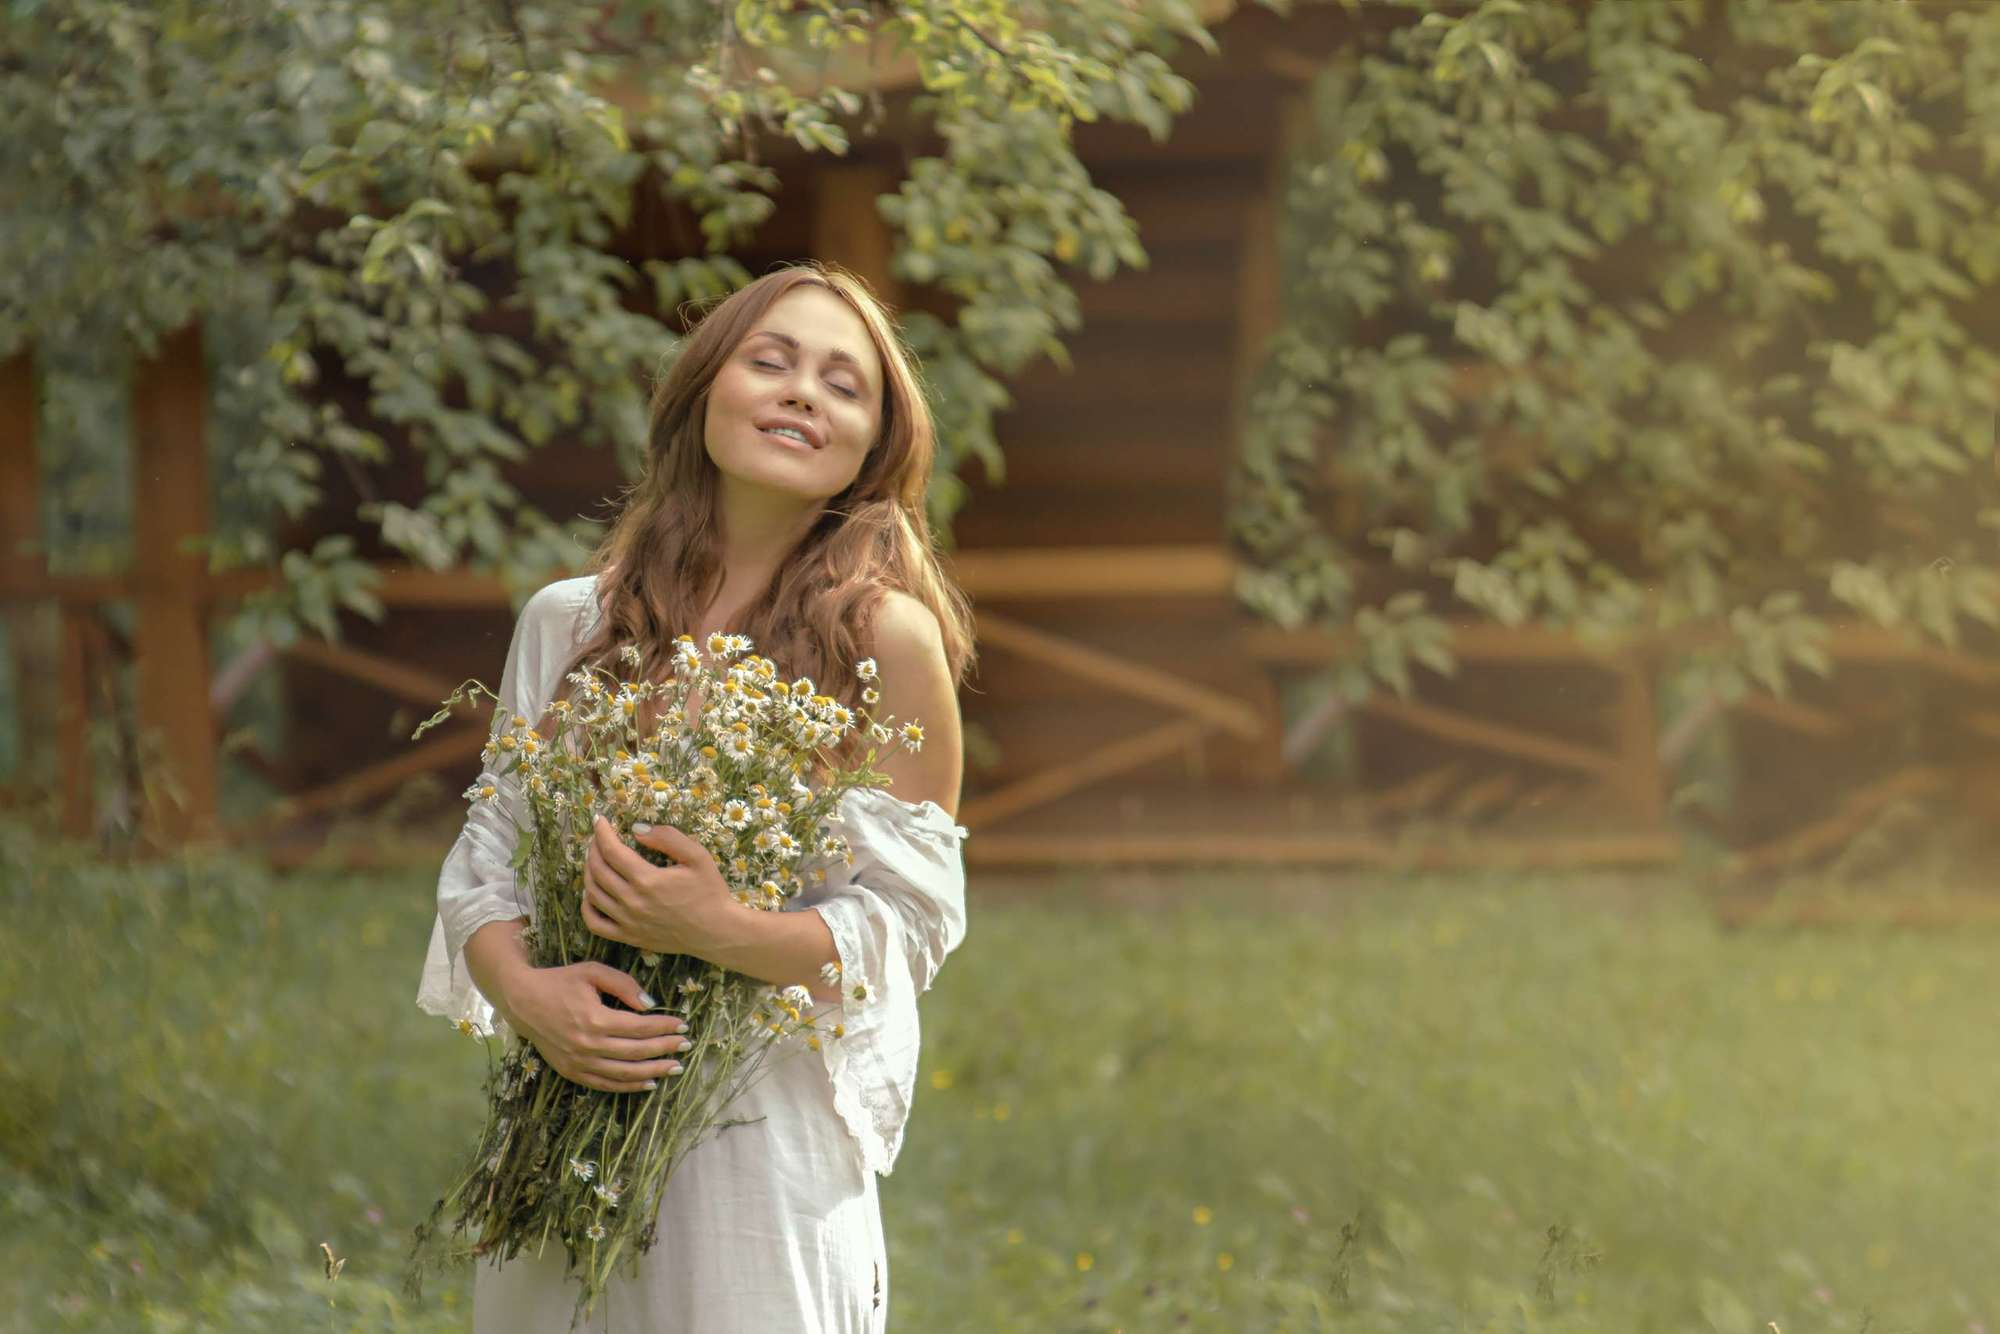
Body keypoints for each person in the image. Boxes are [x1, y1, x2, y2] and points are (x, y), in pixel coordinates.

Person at [414, 262, 977, 1332]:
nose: (802, 391)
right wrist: (529, 998)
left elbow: (910, 921)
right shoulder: (567, 622)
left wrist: (721, 928)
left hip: (758, 1140)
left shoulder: (883, 641)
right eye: (770, 360)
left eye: (841, 383)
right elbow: (487, 858)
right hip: (565, 1114)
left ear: (871, 448)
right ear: (704, 390)